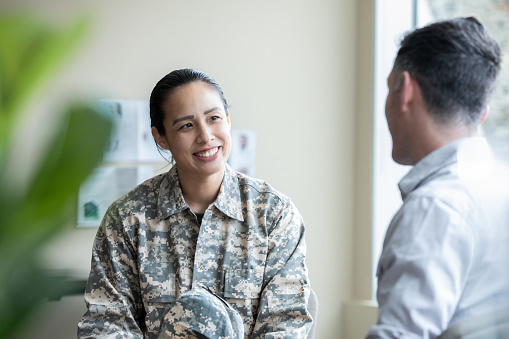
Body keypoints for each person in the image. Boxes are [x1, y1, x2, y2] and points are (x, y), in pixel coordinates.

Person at [78, 68, 313, 338]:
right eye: (186, 125)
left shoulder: (274, 215)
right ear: (161, 137)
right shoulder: (127, 218)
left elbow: (286, 325)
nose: (205, 136)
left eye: (214, 118)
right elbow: (107, 323)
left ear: (228, 120)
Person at [367, 17, 509, 338]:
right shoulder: (499, 186)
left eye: (389, 87)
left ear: (404, 90)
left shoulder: (434, 208)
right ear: (483, 111)